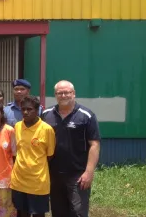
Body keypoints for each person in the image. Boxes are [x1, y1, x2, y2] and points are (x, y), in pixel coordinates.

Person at [41, 80, 101, 217]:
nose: (63, 95)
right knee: (58, 212)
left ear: (73, 94)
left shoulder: (86, 115)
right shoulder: (46, 115)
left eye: (66, 92)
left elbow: (95, 145)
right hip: (53, 174)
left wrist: (89, 172)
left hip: (77, 174)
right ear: (55, 95)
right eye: (59, 93)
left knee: (78, 212)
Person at [10, 96, 55, 217]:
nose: (25, 112)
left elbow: (50, 156)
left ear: (37, 110)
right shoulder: (17, 127)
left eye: (29, 109)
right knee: (21, 213)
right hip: (18, 181)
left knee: (38, 215)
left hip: (38, 182)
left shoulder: (47, 129)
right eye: (23, 109)